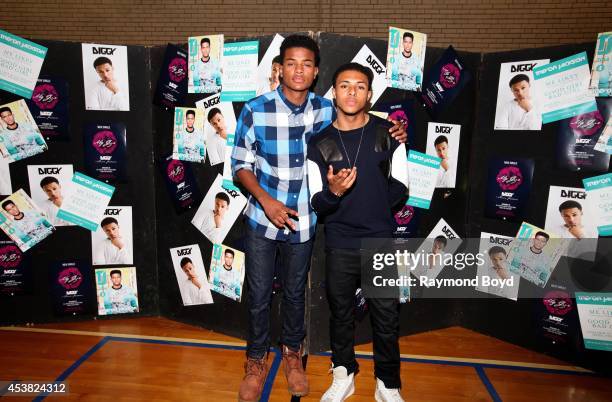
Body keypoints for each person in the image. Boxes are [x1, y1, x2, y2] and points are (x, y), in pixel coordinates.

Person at [231, 34, 407, 402]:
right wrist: (266, 202)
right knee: (260, 295)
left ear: (315, 73)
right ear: (279, 68)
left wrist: (395, 131)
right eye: (292, 63)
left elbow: (359, 115)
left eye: (307, 64)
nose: (299, 70)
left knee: (296, 294)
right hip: (264, 219)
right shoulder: (255, 108)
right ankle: (256, 360)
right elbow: (240, 166)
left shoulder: (326, 109)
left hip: (306, 223)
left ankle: (293, 357)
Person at [308, 62, 408, 402]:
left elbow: (402, 188)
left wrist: (373, 207)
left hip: (380, 241)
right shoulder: (318, 143)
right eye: (345, 85)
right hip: (339, 242)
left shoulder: (388, 134)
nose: (352, 92)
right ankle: (343, 373)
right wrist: (335, 193)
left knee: (386, 315)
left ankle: (388, 383)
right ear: (333, 92)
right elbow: (316, 202)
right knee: (341, 314)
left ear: (369, 93)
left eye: (360, 86)